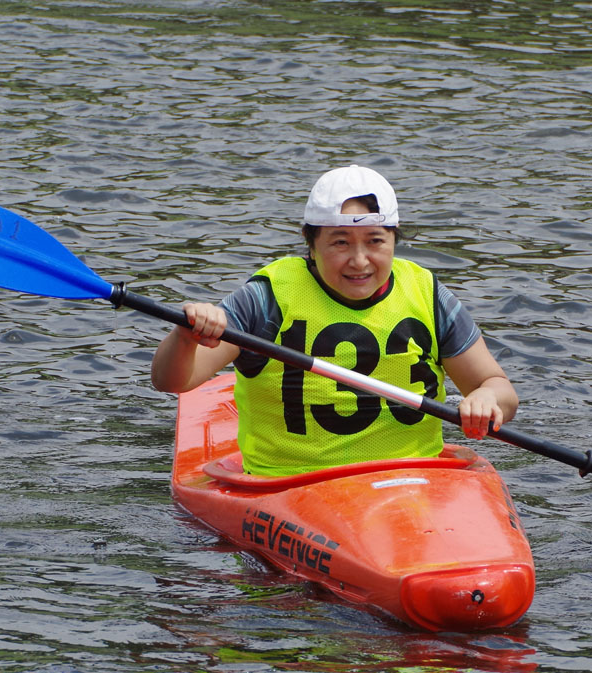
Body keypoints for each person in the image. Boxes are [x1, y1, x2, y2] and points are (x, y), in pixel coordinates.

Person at [150, 164, 518, 476]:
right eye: (340, 243)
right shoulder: (267, 298)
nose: (359, 261)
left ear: (393, 241)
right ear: (311, 245)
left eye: (375, 241)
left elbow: (499, 389)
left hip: (412, 480)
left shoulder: (427, 294)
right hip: (292, 485)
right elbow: (172, 381)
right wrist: (185, 337)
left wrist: (487, 398)